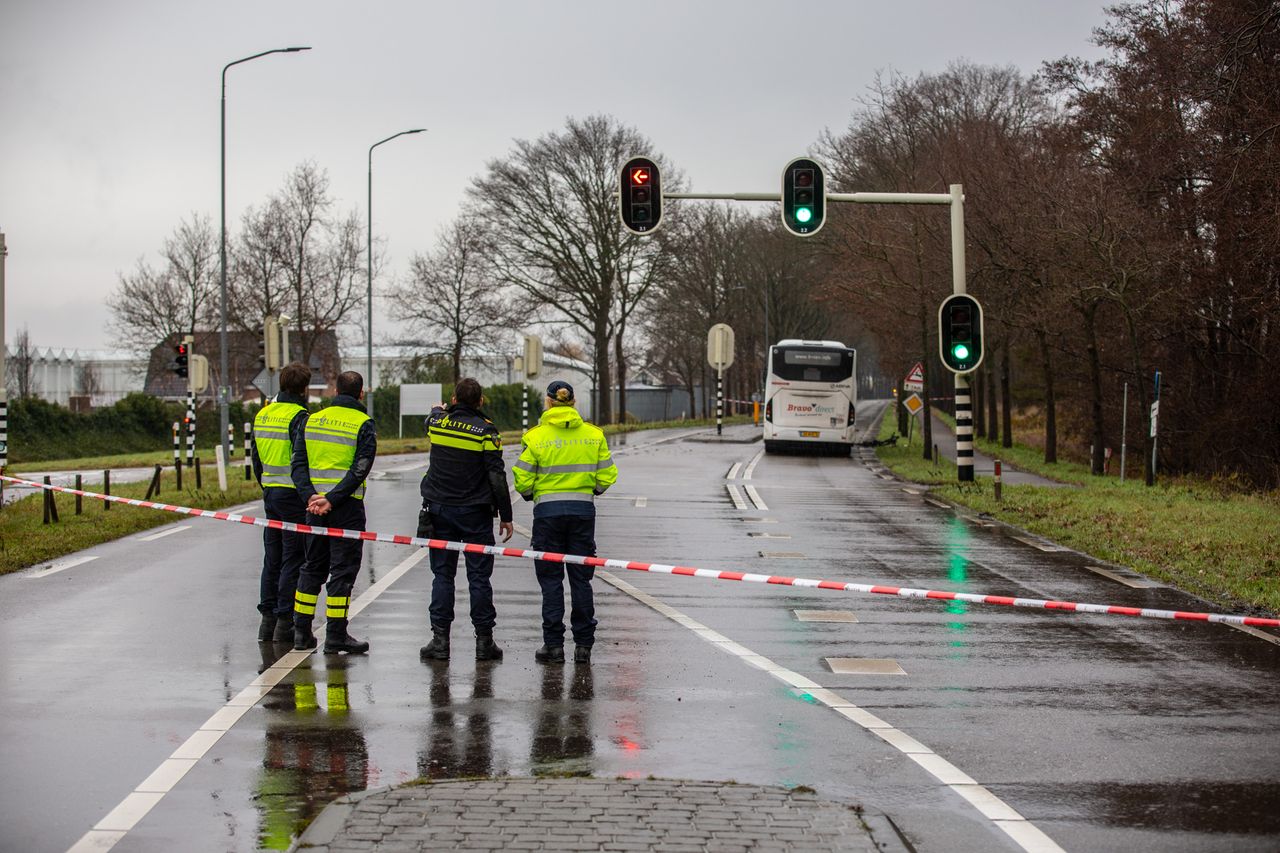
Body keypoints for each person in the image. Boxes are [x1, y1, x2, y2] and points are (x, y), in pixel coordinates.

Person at [513, 380, 617, 664]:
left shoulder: (535, 437)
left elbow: (521, 477)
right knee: (581, 579)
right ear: (573, 403)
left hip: (547, 515)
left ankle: (554, 645)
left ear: (548, 402)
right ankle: (583, 646)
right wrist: (591, 491)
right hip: (583, 513)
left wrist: (531, 494)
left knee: (550, 581)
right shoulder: (593, 435)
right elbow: (607, 475)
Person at [418, 378, 514, 663]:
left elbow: (431, 417)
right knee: (479, 578)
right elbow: (496, 475)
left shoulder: (438, 424)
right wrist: (506, 516)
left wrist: (439, 409)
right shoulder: (486, 431)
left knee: (443, 576)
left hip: (439, 511)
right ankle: (484, 642)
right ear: (481, 401)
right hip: (475, 513)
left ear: (454, 399)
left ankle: (440, 641)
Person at [290, 371, 377, 654]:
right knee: (342, 571)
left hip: (313, 507)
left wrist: (310, 496)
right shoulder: (363, 423)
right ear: (360, 394)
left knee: (312, 566)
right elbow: (360, 469)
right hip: (346, 507)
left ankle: (301, 633)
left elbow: (298, 464)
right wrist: (333, 499)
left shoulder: (311, 420)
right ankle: (336, 635)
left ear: (335, 390)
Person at [251, 362, 312, 643]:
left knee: (272, 556)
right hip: (292, 494)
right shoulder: (300, 416)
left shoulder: (263, 414)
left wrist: (265, 484)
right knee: (293, 557)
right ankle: (285, 622)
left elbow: (255, 457)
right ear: (303, 388)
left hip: (270, 493)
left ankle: (267, 622)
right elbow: (302, 459)